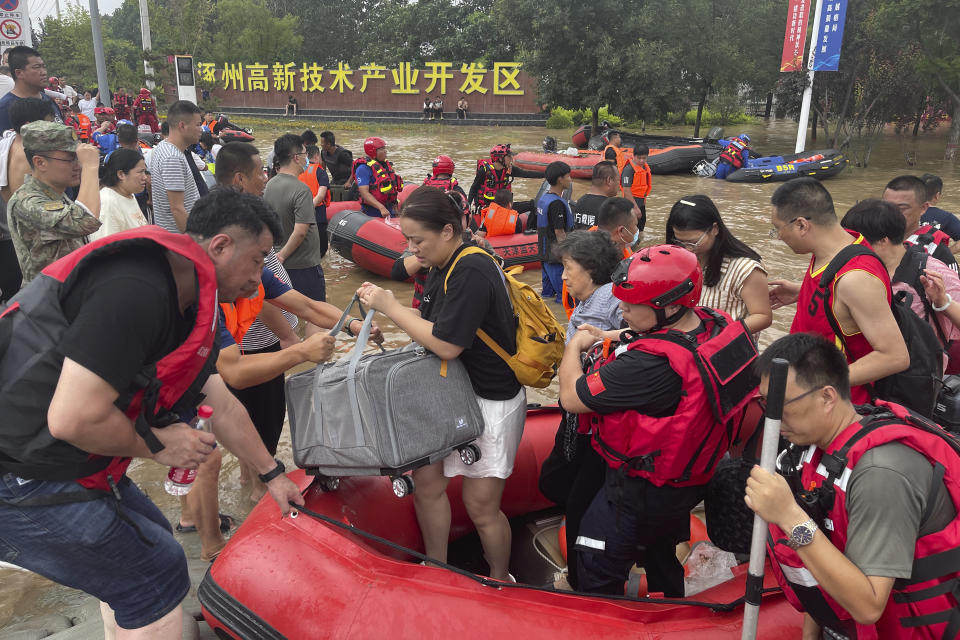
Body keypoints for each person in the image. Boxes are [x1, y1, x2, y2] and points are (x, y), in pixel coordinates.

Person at [0, 188, 305, 639]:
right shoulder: (137, 287)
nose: (258, 279)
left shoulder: (190, 299)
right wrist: (159, 444)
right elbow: (72, 419)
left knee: (145, 551)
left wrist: (273, 473)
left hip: (75, 463)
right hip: (22, 473)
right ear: (219, 246)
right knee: (155, 576)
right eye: (258, 260)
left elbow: (221, 403)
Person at [558, 245, 756, 596]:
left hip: (638, 487)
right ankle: (671, 605)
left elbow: (572, 399)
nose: (622, 310)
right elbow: (663, 339)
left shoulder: (648, 367)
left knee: (596, 562)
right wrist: (609, 336)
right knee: (660, 553)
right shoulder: (714, 322)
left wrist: (574, 347)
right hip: (684, 481)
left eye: (632, 306)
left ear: (671, 306)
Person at [357, 186, 526, 583]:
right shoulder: (440, 264)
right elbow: (429, 325)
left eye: (418, 240)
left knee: (480, 505)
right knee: (427, 481)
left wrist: (391, 307)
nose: (413, 249)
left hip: (490, 398)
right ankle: (437, 565)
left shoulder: (470, 268)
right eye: (408, 240)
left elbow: (448, 344)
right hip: (450, 393)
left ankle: (500, 578)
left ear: (448, 231)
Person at [745, 332, 960, 639]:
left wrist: (790, 517)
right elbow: (823, 559)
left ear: (827, 397)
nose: (774, 419)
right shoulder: (813, 451)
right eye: (767, 403)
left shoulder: (881, 474)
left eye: (782, 404)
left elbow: (868, 606)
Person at [767, 177, 909, 404]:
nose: (778, 237)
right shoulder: (839, 244)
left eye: (777, 229)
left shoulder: (855, 279)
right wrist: (801, 292)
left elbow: (895, 356)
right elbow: (839, 306)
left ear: (802, 225)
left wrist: (818, 382)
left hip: (835, 406)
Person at [537, 230, 623, 589]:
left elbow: (632, 342)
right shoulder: (586, 304)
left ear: (591, 269)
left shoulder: (612, 305)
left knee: (576, 498)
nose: (564, 276)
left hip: (597, 422)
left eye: (569, 268)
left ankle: (578, 578)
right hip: (577, 420)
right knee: (554, 480)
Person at [841, 198, 960, 373]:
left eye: (856, 242)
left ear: (883, 241)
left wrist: (943, 303)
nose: (848, 248)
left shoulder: (930, 272)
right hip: (867, 372)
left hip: (914, 381)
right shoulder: (855, 271)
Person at [665, 195, 772, 336]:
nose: (687, 249)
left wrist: (721, 337)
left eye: (693, 242)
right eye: (680, 241)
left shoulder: (745, 268)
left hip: (728, 348)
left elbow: (762, 316)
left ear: (714, 229)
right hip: (686, 345)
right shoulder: (676, 260)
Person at [8, 121, 101, 283]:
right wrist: (90, 168)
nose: (78, 165)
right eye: (70, 159)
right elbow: (86, 221)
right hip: (48, 300)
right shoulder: (27, 201)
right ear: (40, 162)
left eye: (77, 159)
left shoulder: (55, 193)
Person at [264, 134, 327, 319]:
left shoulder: (270, 185)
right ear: (295, 157)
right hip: (303, 264)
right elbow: (300, 231)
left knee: (290, 315)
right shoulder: (301, 190)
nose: (306, 158)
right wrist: (283, 255)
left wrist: (278, 256)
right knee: (316, 315)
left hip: (278, 264)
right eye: (305, 153)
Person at [147, 100, 203, 232]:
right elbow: (177, 209)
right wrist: (195, 241)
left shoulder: (163, 147)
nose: (201, 129)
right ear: (182, 126)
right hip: (179, 238)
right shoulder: (172, 158)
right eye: (198, 125)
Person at [883, 174, 958, 271]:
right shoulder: (873, 238)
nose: (893, 213)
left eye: (902, 208)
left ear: (923, 208)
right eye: (887, 207)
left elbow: (954, 284)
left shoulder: (937, 251)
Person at [1, 97, 55, 203]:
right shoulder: (36, 156)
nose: (55, 129)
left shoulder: (8, 144)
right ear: (29, 126)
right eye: (50, 124)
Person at [88, 149, 148, 241]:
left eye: (145, 172)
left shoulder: (128, 194)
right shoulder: (108, 203)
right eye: (140, 172)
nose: (145, 177)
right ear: (121, 174)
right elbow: (105, 248)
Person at [0, 46, 63, 132]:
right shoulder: (4, 108)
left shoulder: (48, 100)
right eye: (37, 67)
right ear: (19, 73)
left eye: (44, 67)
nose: (44, 72)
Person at [536, 161, 574, 304]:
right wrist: (567, 257)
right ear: (560, 179)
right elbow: (559, 232)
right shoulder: (557, 204)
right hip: (555, 258)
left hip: (545, 255)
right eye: (568, 176)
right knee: (563, 299)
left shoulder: (544, 199)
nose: (570, 179)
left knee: (546, 295)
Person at [467, 143, 539, 215]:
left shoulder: (509, 169)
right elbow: (474, 188)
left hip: (504, 206)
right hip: (488, 208)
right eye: (509, 157)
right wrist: (468, 205)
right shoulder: (484, 171)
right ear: (500, 158)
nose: (511, 159)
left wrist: (546, 174)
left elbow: (526, 174)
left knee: (532, 204)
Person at [354, 135, 402, 218]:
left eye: (384, 148)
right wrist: (381, 207)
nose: (385, 151)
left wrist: (395, 207)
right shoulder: (363, 169)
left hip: (389, 208)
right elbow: (364, 193)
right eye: (382, 149)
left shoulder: (385, 166)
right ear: (373, 152)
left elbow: (392, 189)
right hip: (372, 211)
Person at [298, 144, 330, 257]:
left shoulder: (298, 171)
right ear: (317, 156)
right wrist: (309, 207)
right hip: (317, 213)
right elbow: (321, 195)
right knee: (322, 249)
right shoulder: (320, 172)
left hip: (299, 212)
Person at [572, 160, 620, 230]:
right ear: (609, 180)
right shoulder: (611, 207)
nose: (619, 185)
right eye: (618, 180)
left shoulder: (579, 202)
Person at [920, 173, 960, 251]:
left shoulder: (906, 213)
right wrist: (946, 255)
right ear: (937, 195)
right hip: (934, 261)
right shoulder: (947, 217)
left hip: (906, 260)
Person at [620, 144, 651, 231]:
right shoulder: (628, 170)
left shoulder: (644, 167)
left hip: (641, 204)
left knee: (641, 228)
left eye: (644, 158)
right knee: (630, 230)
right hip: (631, 205)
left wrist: (642, 205)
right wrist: (635, 208)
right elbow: (626, 191)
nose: (641, 160)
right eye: (639, 158)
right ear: (634, 156)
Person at [319, 131, 353, 196]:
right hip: (335, 180)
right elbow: (323, 168)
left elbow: (356, 166)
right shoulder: (323, 152)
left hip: (346, 181)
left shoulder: (342, 154)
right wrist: (322, 181)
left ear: (328, 144)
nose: (321, 144)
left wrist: (349, 182)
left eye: (322, 143)